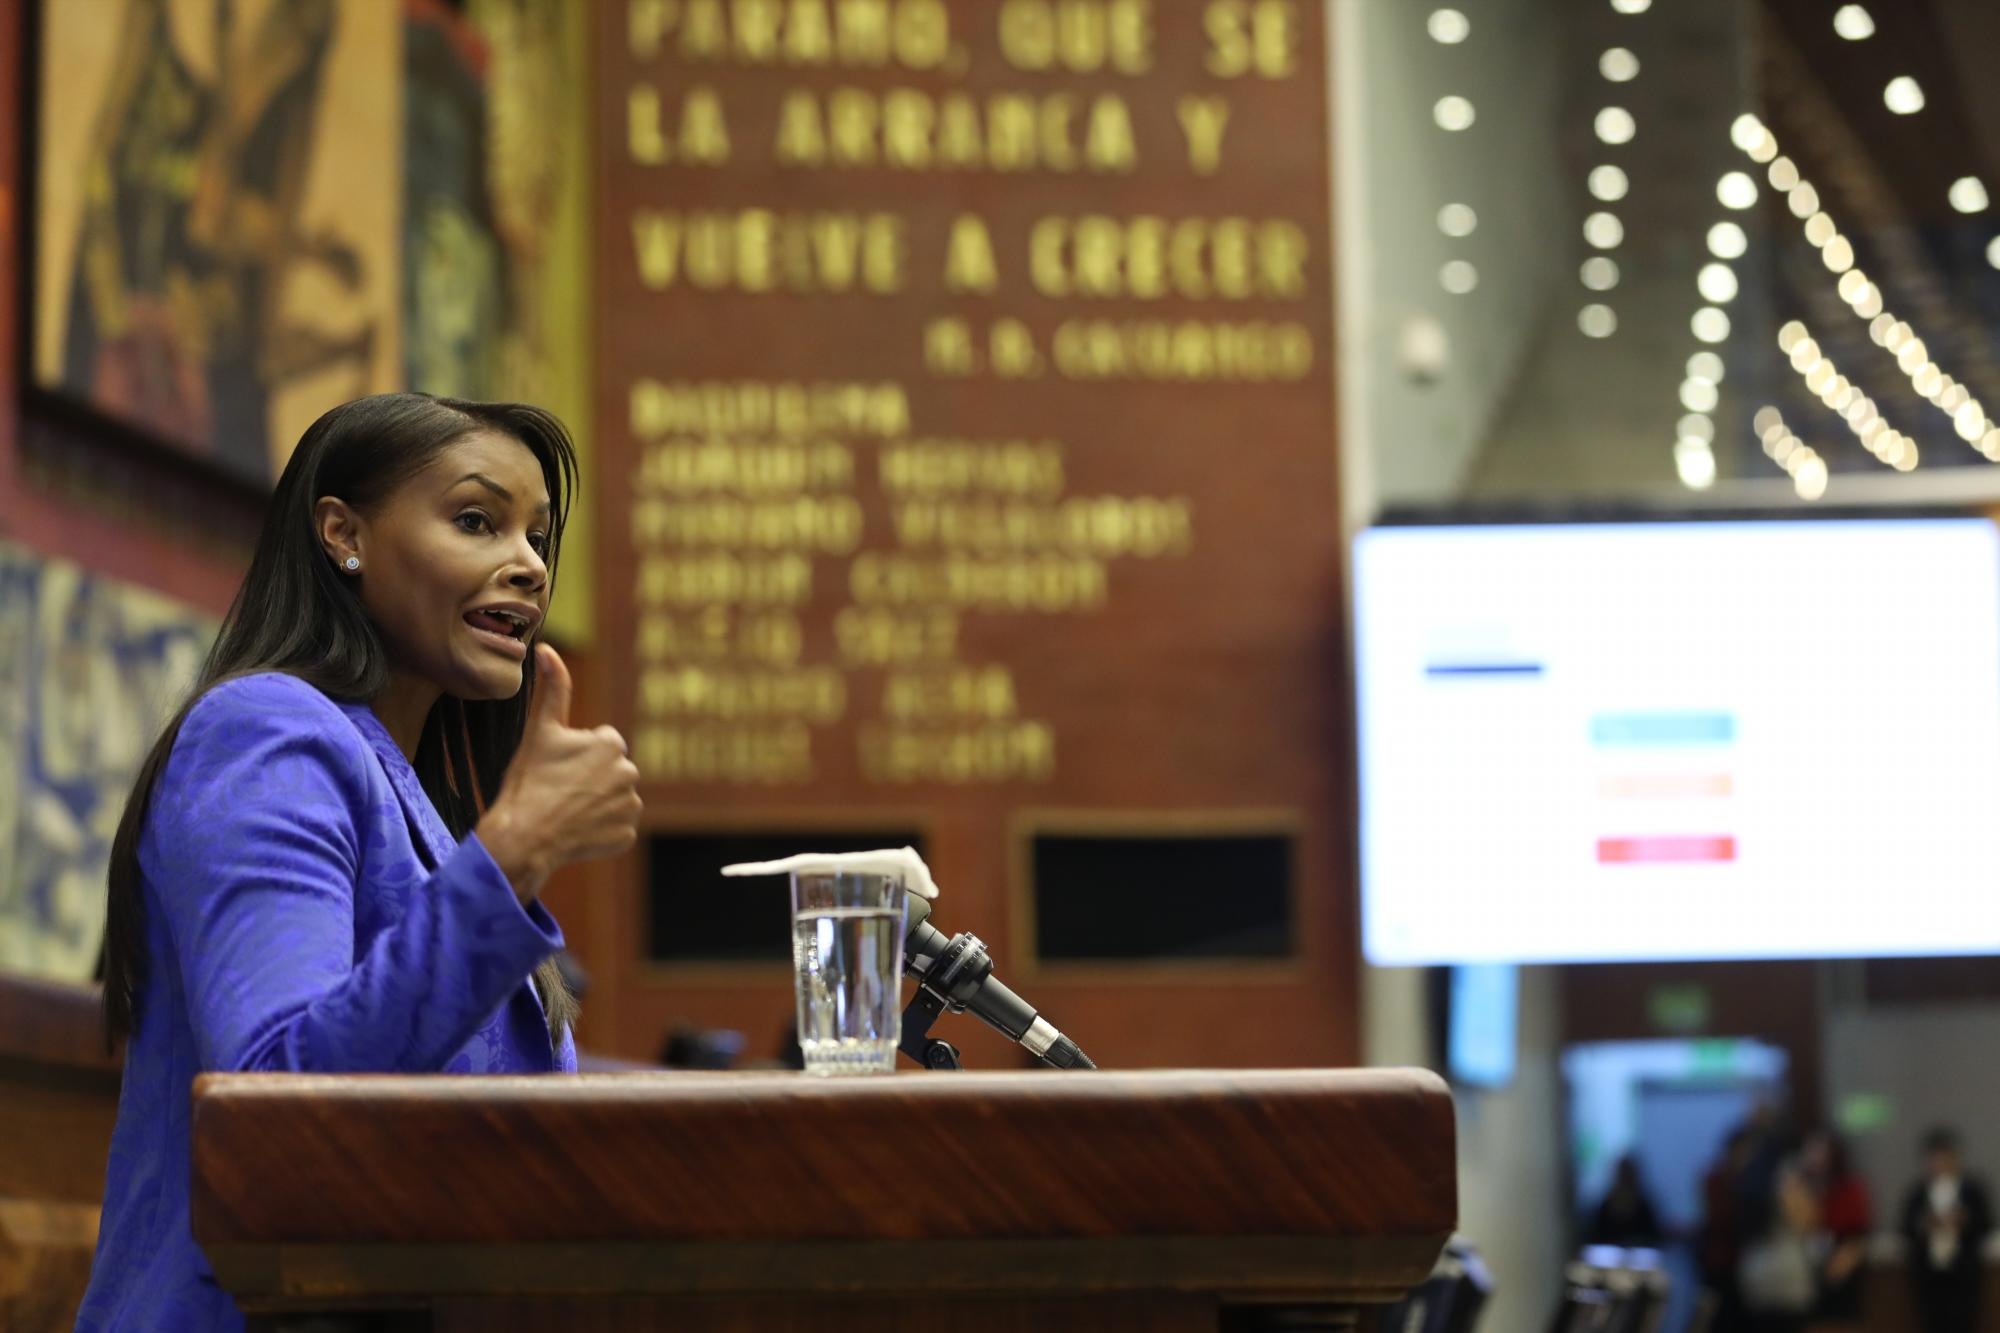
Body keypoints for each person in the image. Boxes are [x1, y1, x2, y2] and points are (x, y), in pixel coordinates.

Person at [76, 393, 643, 1330]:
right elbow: (279, 1100)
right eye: (477, 520)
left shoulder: (421, 804)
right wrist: (516, 852)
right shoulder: (267, 730)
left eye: (539, 536)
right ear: (344, 534)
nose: (530, 566)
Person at [1899, 1127, 1992, 1333]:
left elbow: (1986, 1225)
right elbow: (1905, 1229)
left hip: (1964, 1272)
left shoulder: (1972, 1190)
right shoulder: (1918, 1193)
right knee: (1930, 1322)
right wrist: (1924, 1224)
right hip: (1927, 1273)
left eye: (1944, 1157)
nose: (1939, 1163)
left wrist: (1964, 1220)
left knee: (1964, 1322)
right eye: (1934, 1158)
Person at [1801, 1129, 1872, 1329]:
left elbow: (1860, 1230)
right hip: (1810, 1261)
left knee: (1842, 1319)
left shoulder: (1850, 1185)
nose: (1814, 1156)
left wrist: (1844, 1260)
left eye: (1820, 1150)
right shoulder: (1802, 1185)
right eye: (1811, 1150)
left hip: (1844, 1256)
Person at [1589, 1154, 1666, 1249]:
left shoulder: (1644, 1204)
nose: (1625, 1177)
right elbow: (1597, 1236)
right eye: (1623, 1173)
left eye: (1628, 1173)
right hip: (1610, 1257)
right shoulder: (1606, 1204)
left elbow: (1653, 1236)